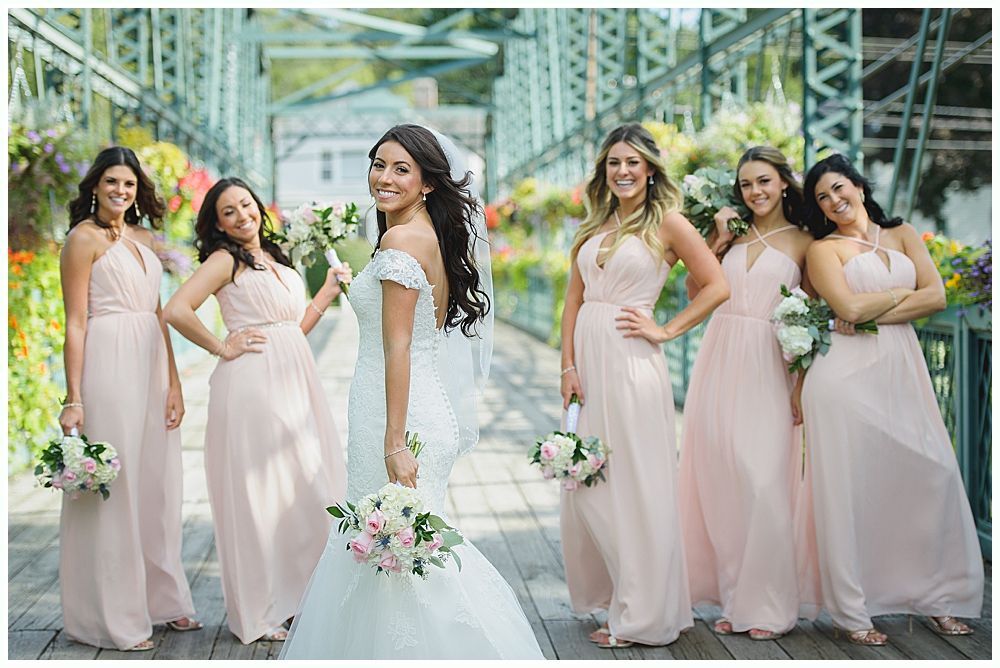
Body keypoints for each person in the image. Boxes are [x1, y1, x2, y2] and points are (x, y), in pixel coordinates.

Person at [280, 124, 543, 660]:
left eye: (401, 168)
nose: (384, 177)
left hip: (397, 419)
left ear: (427, 183)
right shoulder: (424, 234)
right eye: (379, 164)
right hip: (414, 407)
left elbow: (398, 347)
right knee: (396, 551)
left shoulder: (401, 240)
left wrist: (394, 442)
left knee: (398, 551)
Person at [796, 153, 983, 646]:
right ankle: (852, 610)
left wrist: (875, 308)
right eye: (822, 197)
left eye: (840, 188)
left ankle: (936, 597)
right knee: (851, 490)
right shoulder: (823, 250)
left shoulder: (902, 233)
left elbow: (938, 296)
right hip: (843, 377)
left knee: (930, 472)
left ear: (858, 186)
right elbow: (847, 308)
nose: (834, 201)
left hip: (901, 369)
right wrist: (903, 296)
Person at [558, 123, 729, 648]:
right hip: (588, 364)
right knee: (587, 483)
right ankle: (613, 595)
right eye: (614, 163)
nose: (623, 171)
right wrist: (566, 366)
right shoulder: (593, 226)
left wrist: (666, 330)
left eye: (633, 162)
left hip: (633, 365)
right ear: (603, 173)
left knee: (636, 485)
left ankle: (643, 613)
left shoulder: (670, 224)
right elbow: (573, 301)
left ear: (650, 169)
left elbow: (718, 286)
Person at [163, 177, 349, 643]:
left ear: (258, 207)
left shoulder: (275, 256)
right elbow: (176, 309)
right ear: (218, 223)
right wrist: (220, 346)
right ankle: (261, 611)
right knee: (262, 498)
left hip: (294, 380)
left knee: (307, 492)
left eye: (245, 204)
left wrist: (325, 293)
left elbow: (291, 328)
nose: (241, 215)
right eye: (229, 211)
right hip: (253, 387)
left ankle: (301, 599)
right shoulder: (224, 260)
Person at [58, 146, 200, 651]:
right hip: (109, 364)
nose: (122, 191)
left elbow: (160, 313)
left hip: (151, 365)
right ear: (95, 185)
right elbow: (75, 323)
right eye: (113, 182)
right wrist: (74, 398)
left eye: (130, 184)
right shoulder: (81, 240)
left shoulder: (143, 238)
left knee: (157, 484)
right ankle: (114, 616)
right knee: (116, 489)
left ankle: (162, 600)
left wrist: (175, 381)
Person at [677, 146, 815, 640]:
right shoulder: (731, 235)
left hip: (769, 364)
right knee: (723, 479)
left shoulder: (804, 241)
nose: (755, 192)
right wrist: (715, 238)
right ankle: (735, 597)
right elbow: (697, 292)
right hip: (720, 356)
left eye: (764, 181)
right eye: (747, 184)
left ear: (783, 182)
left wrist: (801, 383)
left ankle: (772, 604)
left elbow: (815, 315)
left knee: (764, 482)